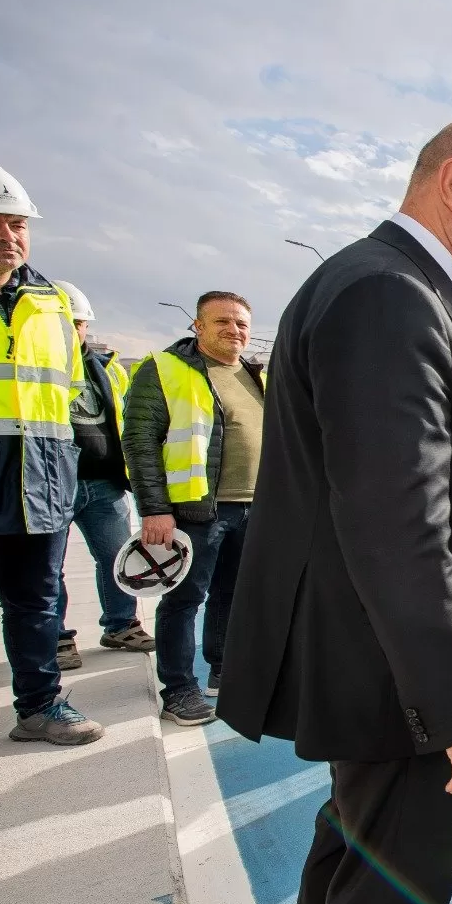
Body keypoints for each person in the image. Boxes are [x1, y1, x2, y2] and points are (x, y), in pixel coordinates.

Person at [216, 120, 452, 904]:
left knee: (353, 846)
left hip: (376, 666)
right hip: (405, 684)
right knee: (393, 893)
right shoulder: (391, 298)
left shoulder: (381, 285)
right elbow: (397, 528)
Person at [0, 161, 103, 746]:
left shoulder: (54, 303)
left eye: (17, 224)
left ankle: (39, 705)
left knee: (34, 601)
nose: (7, 236)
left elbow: (70, 400)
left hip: (38, 478)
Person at [123, 291, 264, 722]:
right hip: (194, 510)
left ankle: (224, 670)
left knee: (233, 596)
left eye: (241, 323)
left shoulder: (257, 375)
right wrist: (154, 509)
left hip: (252, 506)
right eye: (221, 321)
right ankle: (179, 689)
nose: (233, 330)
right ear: (197, 326)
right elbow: (140, 441)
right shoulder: (164, 369)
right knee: (184, 600)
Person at [53, 280, 154, 670]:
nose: (71, 329)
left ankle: (121, 624)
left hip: (104, 481)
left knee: (116, 557)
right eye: (65, 322)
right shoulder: (33, 366)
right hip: (52, 483)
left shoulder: (109, 370)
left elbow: (124, 422)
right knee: (49, 567)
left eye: (77, 323)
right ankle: (57, 638)